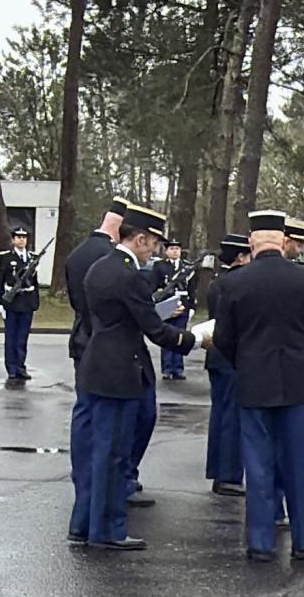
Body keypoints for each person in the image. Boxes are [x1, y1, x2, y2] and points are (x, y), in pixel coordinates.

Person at [72, 203, 204, 551]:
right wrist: (196, 339)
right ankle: (108, 531)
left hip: (96, 364)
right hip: (119, 371)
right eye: (154, 244)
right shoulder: (129, 275)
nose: (156, 251)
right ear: (141, 239)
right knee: (114, 455)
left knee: (94, 453)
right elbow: (154, 329)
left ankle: (82, 523)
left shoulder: (99, 268)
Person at [214, 209, 304, 562]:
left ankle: (261, 542)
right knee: (298, 462)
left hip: (254, 380)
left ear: (251, 243)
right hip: (298, 381)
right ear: (283, 242)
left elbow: (224, 338)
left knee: (258, 464)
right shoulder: (303, 278)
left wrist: (244, 363)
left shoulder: (233, 282)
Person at [65, 197, 126, 545]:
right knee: (108, 431)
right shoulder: (111, 259)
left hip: (81, 340)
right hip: (105, 346)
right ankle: (100, 505)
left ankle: (85, 496)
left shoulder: (77, 255)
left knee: (85, 421)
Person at [205, 233, 251, 497]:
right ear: (241, 257)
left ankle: (220, 472)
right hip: (230, 356)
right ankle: (229, 474)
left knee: (221, 415)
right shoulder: (233, 284)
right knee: (232, 417)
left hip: (218, 356)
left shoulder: (218, 283)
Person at [0, 227, 41, 382]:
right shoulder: (7, 257)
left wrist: (36, 301)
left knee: (22, 337)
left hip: (26, 302)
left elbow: (34, 283)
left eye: (24, 237)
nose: (21, 240)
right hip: (12, 302)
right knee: (11, 337)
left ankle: (21, 366)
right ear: (13, 240)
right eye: (18, 237)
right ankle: (11, 368)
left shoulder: (32, 258)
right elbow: (0, 280)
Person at [151, 239, 196, 380]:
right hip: (167, 305)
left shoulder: (187, 267)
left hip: (183, 305)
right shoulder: (159, 266)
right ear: (166, 251)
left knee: (181, 337)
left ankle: (178, 368)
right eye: (172, 249)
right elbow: (154, 286)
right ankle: (167, 368)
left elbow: (192, 288)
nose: (175, 251)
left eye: (177, 248)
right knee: (167, 337)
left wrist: (191, 307)